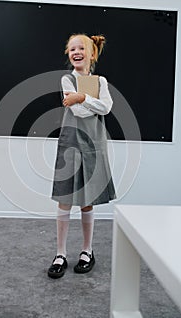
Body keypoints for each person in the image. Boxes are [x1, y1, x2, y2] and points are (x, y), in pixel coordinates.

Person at [48, 33, 116, 279]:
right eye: (72, 49)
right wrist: (85, 101)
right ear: (69, 54)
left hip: (93, 145)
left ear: (92, 53)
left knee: (87, 200)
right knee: (65, 199)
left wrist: (84, 97)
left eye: (81, 48)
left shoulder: (101, 81)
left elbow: (106, 107)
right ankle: (60, 253)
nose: (76, 52)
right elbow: (77, 110)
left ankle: (87, 251)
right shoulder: (67, 79)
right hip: (71, 143)